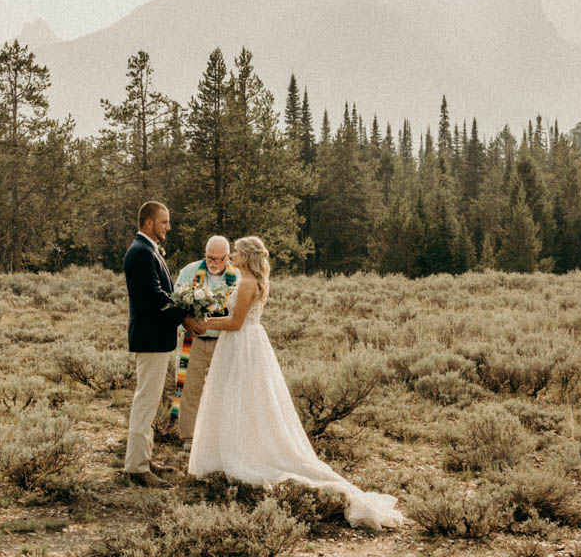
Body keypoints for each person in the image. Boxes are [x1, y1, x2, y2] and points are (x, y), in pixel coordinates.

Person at [187, 236, 405, 529]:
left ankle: (240, 454)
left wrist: (205, 323)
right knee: (237, 399)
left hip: (241, 344)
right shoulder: (245, 279)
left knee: (240, 397)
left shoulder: (248, 283)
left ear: (246, 256)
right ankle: (230, 450)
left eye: (236, 252)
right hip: (242, 344)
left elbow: (236, 322)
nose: (232, 256)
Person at [123, 200, 203, 487]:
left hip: (155, 337)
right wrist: (184, 317)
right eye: (164, 221)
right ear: (148, 223)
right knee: (146, 401)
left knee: (150, 399)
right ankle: (136, 467)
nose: (169, 226)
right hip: (150, 338)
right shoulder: (141, 253)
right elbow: (155, 297)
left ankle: (143, 458)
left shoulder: (146, 250)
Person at [166, 236, 237, 443]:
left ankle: (220, 439)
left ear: (228, 257)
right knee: (190, 388)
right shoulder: (189, 271)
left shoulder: (238, 275)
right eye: (209, 258)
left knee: (223, 390)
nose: (213, 263)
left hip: (223, 341)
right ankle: (189, 438)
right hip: (193, 341)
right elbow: (175, 304)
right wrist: (186, 323)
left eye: (218, 258)